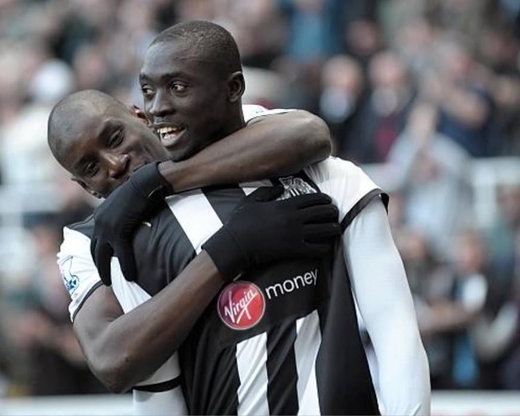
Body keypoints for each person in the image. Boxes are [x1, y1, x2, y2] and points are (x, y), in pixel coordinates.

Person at [76, 21, 430, 415]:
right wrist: (228, 251)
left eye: (177, 87)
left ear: (233, 89)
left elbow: (395, 328)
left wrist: (154, 181)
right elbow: (143, 381)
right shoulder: (108, 242)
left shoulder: (324, 174)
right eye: (148, 90)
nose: (159, 106)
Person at [49, 91, 340, 414]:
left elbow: (310, 134)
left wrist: (157, 181)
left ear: (141, 117)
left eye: (116, 138)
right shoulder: (85, 242)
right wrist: (228, 251)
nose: (115, 164)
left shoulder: (217, 136)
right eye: (92, 167)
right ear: (85, 186)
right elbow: (112, 361)